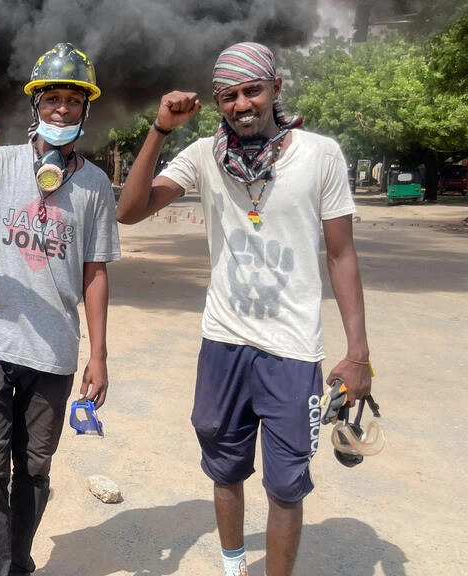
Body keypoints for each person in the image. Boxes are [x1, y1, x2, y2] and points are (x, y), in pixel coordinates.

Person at [117, 42, 372, 576]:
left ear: (276, 88)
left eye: (252, 90)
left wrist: (358, 354)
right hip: (224, 344)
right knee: (225, 472)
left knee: (285, 488)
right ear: (218, 103)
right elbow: (130, 211)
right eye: (228, 96)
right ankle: (234, 569)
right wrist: (160, 128)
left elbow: (341, 254)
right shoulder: (204, 157)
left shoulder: (320, 154)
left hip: (292, 351)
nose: (241, 104)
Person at [0, 43, 121, 576]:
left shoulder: (96, 184)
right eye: (52, 98)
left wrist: (98, 355)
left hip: (53, 351)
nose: (62, 109)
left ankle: (17, 561)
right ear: (35, 104)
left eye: (73, 101)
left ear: (86, 110)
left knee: (34, 469)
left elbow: (96, 271)